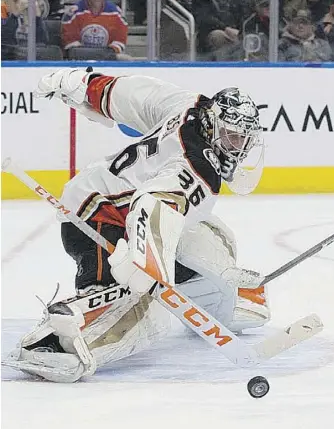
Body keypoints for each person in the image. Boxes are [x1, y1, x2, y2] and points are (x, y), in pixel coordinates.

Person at [5, 68, 270, 383]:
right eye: (231, 136)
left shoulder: (189, 107)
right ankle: (58, 343)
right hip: (99, 216)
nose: (237, 148)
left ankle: (220, 297)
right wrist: (149, 265)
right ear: (212, 125)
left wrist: (84, 84)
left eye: (244, 139)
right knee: (144, 312)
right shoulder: (198, 171)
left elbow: (129, 95)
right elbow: (152, 204)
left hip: (115, 200)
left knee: (214, 237)